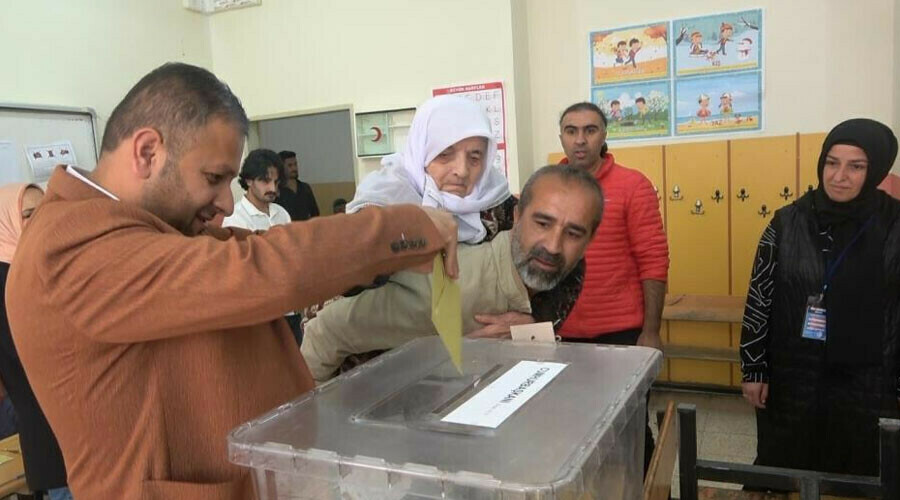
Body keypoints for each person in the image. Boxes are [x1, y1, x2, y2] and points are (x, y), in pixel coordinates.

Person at [6, 62, 459, 499]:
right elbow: (257, 268)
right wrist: (405, 227)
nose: (225, 203)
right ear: (147, 152)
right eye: (213, 178)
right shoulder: (66, 245)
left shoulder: (149, 230)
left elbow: (264, 249)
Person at [302, 165, 600, 382]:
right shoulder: (454, 284)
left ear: (589, 240)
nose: (553, 246)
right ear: (517, 215)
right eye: (543, 223)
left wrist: (534, 329)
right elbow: (327, 330)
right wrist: (307, 425)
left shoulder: (564, 277)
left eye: (573, 233)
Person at [740, 118, 900, 477]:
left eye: (855, 166)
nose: (839, 176)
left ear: (875, 170)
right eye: (832, 162)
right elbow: (759, 300)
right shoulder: (786, 223)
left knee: (860, 476)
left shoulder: (894, 225)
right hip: (794, 379)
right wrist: (753, 368)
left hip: (870, 385)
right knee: (786, 470)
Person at [557, 101, 668, 474]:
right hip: (563, 336)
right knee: (572, 431)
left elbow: (654, 260)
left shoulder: (633, 185)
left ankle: (647, 494)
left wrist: (651, 331)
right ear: (561, 137)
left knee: (629, 431)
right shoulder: (548, 186)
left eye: (590, 130)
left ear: (604, 135)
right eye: (571, 131)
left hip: (621, 336)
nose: (580, 140)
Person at [347, 94, 515, 245]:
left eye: (475, 158)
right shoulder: (385, 192)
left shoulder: (495, 197)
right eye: (444, 154)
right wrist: (412, 221)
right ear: (421, 152)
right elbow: (356, 242)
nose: (462, 171)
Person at [0, 184, 72, 500]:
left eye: (47, 210)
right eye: (29, 214)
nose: (43, 220)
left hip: (71, 438)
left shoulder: (39, 266)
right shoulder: (11, 280)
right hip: (53, 438)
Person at [222, 148, 290, 230]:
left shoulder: (282, 213)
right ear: (249, 181)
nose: (273, 188)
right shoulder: (235, 219)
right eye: (265, 181)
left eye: (276, 182)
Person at [275, 150, 319, 221]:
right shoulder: (277, 191)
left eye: (295, 164)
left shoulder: (305, 188)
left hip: (305, 226)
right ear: (281, 168)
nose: (294, 168)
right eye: (290, 165)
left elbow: (315, 213)